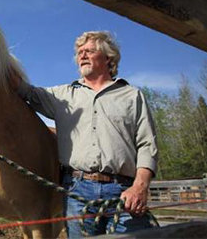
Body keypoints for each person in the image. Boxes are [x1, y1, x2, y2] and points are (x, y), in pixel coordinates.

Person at [13, 31, 158, 237]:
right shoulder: (62, 96)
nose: (82, 55)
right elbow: (24, 90)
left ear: (108, 57)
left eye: (89, 51)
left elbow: (147, 145)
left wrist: (140, 187)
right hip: (77, 191)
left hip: (124, 192)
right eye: (79, 52)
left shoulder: (132, 96)